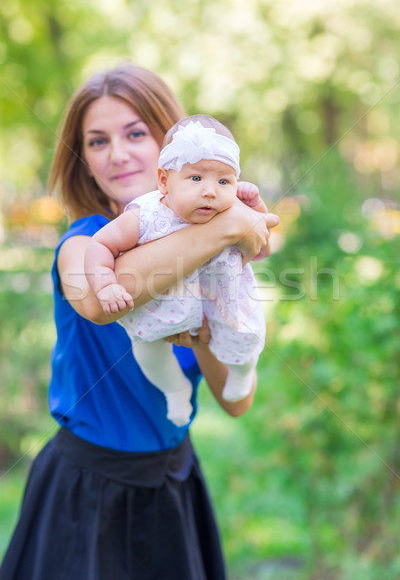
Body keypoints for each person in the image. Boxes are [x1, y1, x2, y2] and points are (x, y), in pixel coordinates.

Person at [0, 62, 279, 580]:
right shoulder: (84, 241)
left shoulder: (213, 255)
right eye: (98, 141)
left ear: (171, 145)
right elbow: (94, 298)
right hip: (87, 493)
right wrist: (228, 228)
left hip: (174, 486)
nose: (118, 153)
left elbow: (237, 402)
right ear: (83, 159)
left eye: (135, 133)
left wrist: (211, 323)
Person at [85, 114, 268, 428]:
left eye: (223, 181)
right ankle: (174, 389)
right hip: (158, 308)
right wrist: (105, 285)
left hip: (219, 304)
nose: (211, 191)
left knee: (246, 335)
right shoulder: (146, 215)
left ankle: (242, 372)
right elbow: (99, 246)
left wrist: (255, 212)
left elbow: (258, 249)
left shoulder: (229, 209)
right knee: (148, 352)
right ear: (164, 182)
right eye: (196, 178)